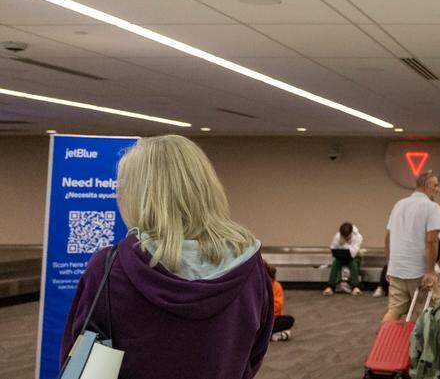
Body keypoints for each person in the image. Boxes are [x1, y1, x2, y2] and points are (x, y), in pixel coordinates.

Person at [61, 135, 273, 379]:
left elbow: (81, 360)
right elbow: (254, 352)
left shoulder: (110, 268)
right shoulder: (250, 267)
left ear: (136, 195)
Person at [382, 171, 440, 323]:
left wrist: (390, 265)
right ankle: (420, 346)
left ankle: (383, 343)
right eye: (436, 185)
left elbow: (388, 237)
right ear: (427, 185)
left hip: (397, 269)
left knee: (395, 310)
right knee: (429, 313)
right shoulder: (432, 207)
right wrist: (430, 271)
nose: (438, 189)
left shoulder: (399, 204)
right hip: (419, 271)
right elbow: (431, 241)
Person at [323, 221, 364, 296]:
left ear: (351, 233)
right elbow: (333, 248)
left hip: (354, 257)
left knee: (353, 263)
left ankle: (355, 286)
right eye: (343, 237)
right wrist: (341, 249)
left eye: (347, 237)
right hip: (341, 257)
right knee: (336, 263)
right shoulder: (337, 236)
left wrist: (344, 244)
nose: (345, 238)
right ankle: (330, 286)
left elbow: (353, 253)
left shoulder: (358, 237)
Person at [265, 263, 294, 342]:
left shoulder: (276, 286)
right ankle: (271, 335)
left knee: (288, 320)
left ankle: (266, 335)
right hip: (258, 319)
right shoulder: (256, 286)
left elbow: (277, 307)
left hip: (270, 319)